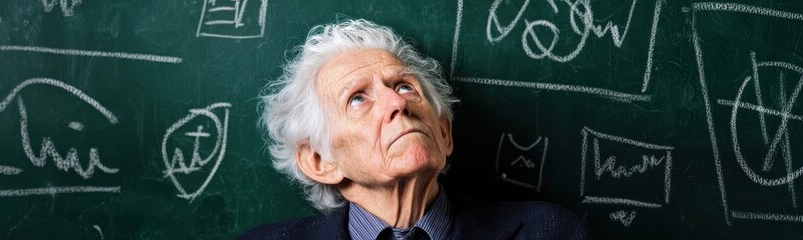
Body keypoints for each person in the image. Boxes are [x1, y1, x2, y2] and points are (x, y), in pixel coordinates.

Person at [241, 19, 589, 240]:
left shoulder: (549, 232)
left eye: (405, 86)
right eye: (358, 99)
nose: (397, 103)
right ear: (320, 161)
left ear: (444, 134)